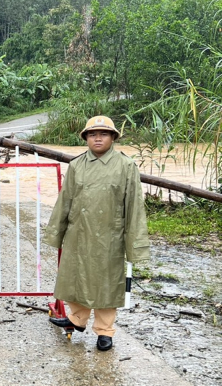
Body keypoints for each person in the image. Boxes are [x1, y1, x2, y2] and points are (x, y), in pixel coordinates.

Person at [44, 115, 150, 351]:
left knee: (107, 284)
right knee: (75, 277)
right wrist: (56, 233)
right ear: (86, 138)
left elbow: (134, 207)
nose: (98, 138)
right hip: (78, 232)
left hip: (109, 235)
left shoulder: (126, 166)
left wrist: (135, 245)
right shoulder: (76, 165)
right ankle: (77, 320)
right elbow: (65, 201)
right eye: (93, 134)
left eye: (103, 134)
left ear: (113, 137)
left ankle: (105, 332)